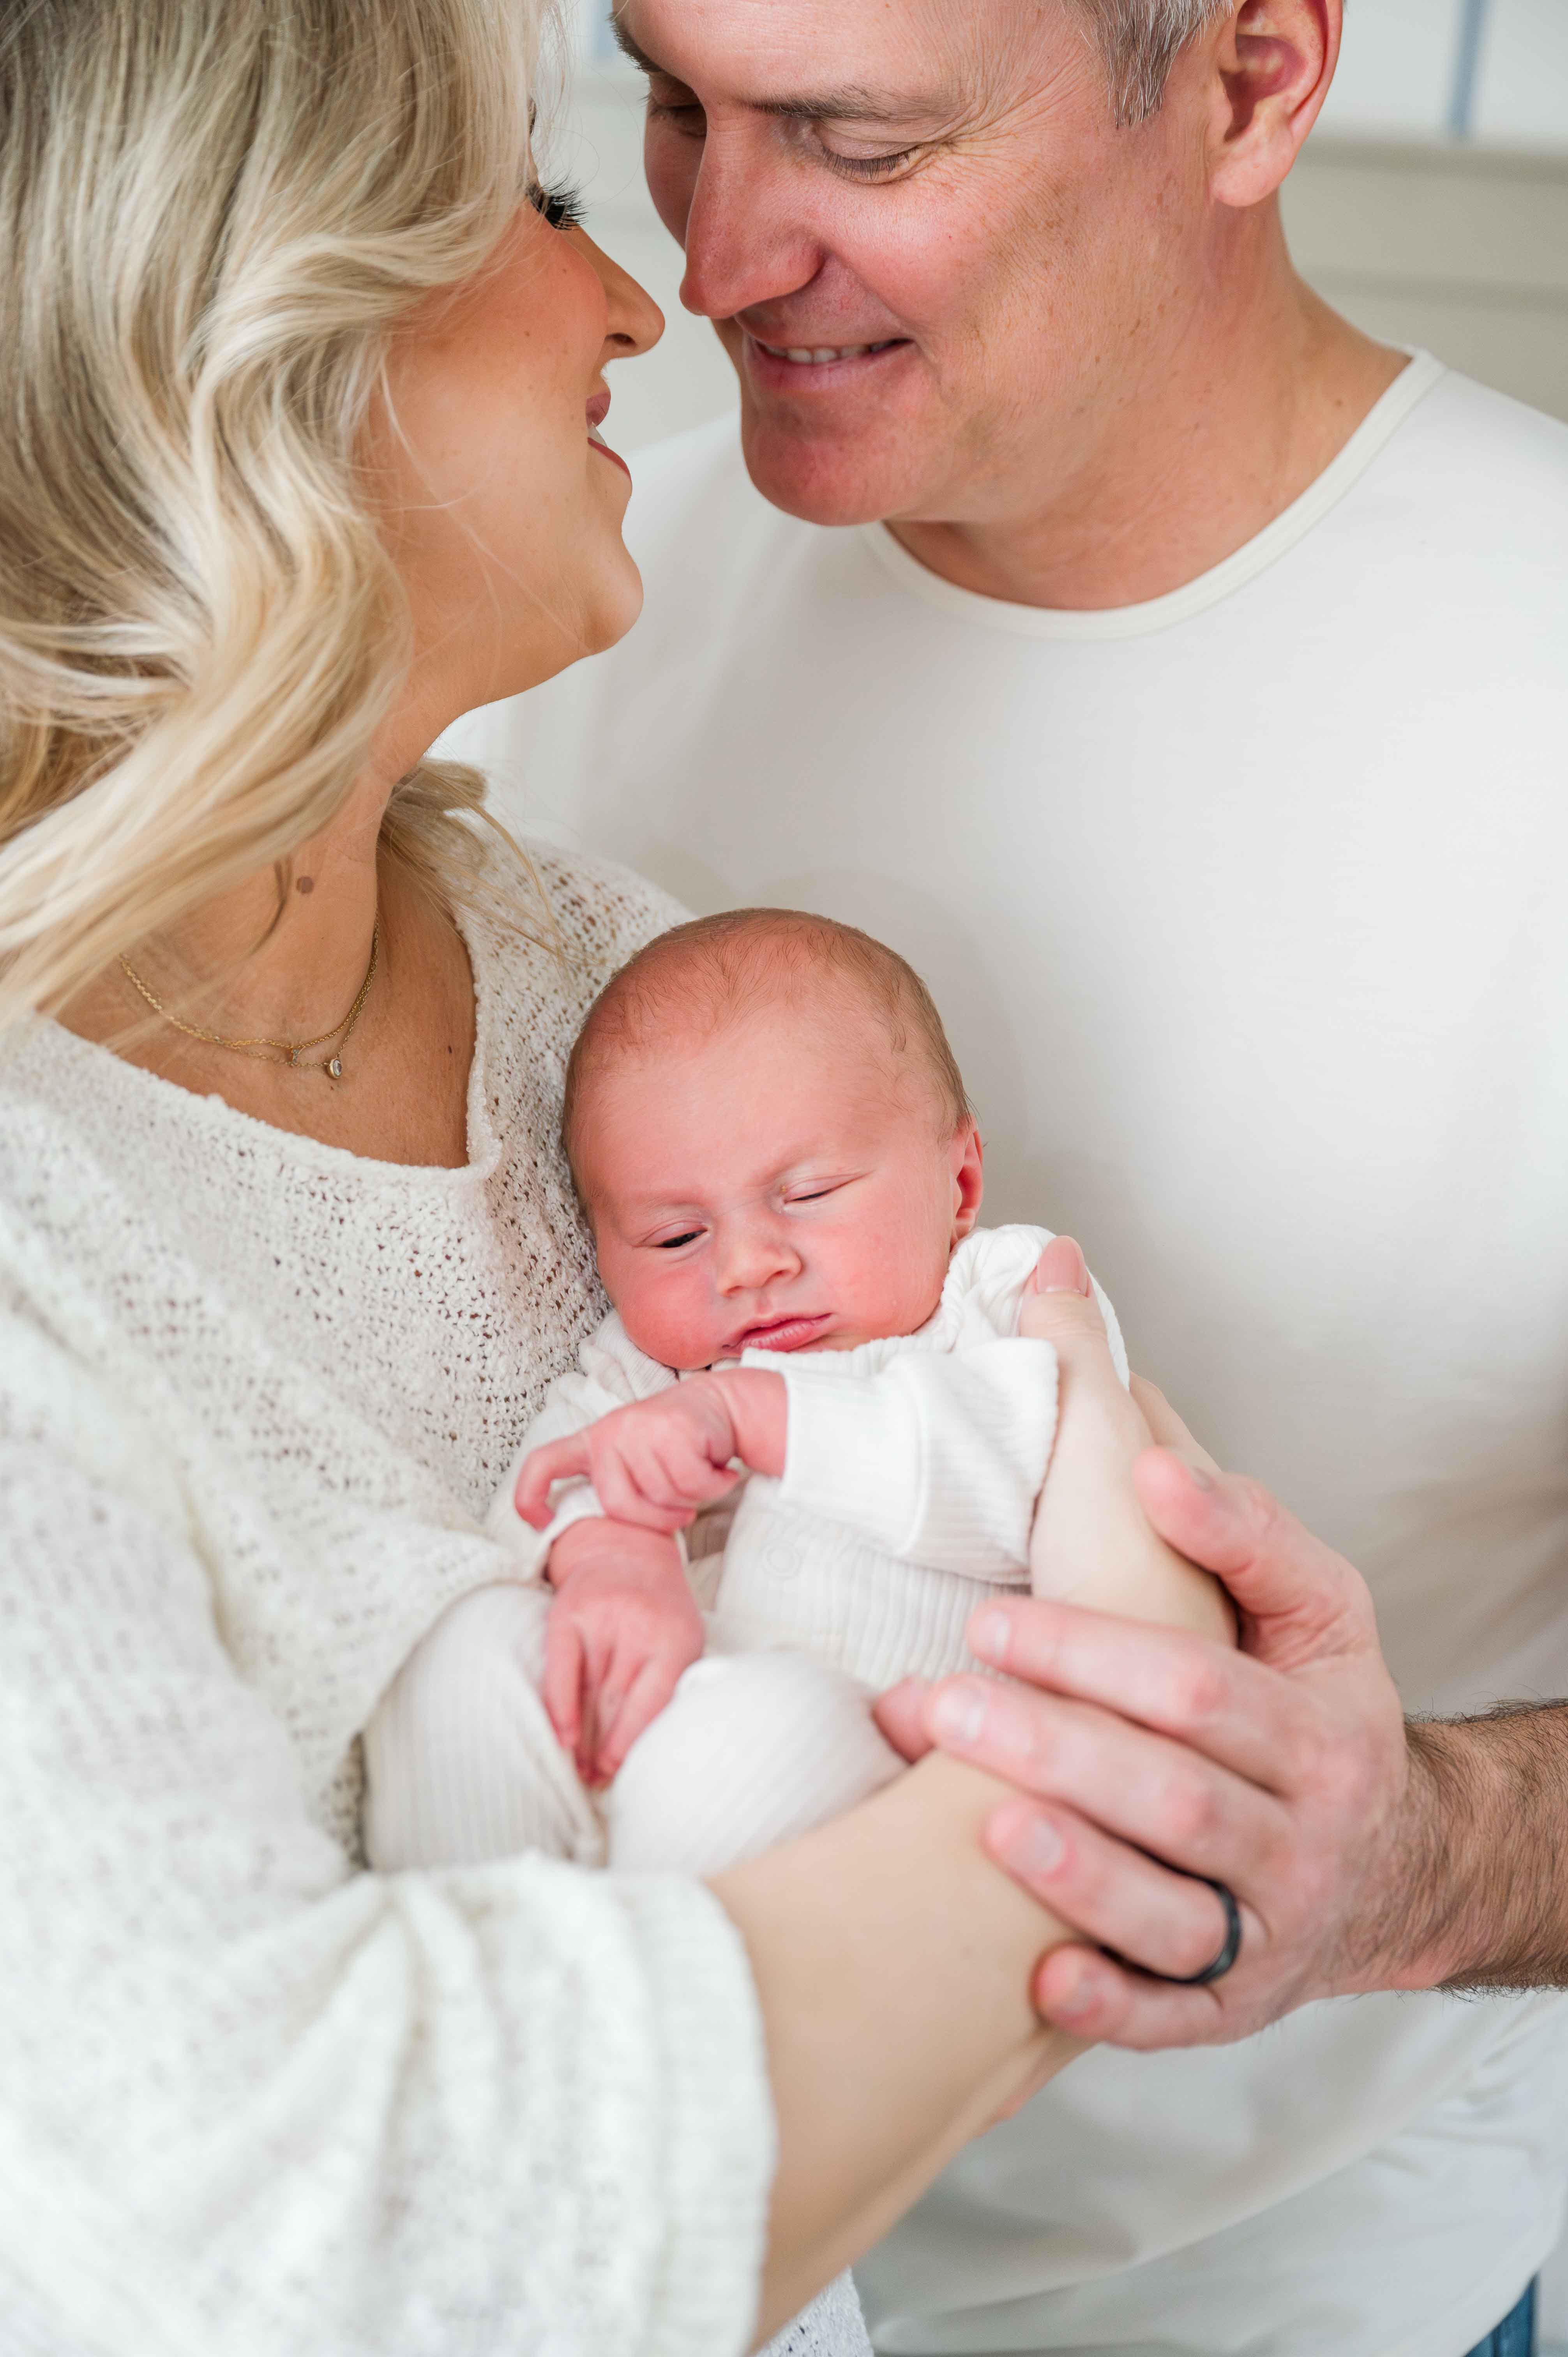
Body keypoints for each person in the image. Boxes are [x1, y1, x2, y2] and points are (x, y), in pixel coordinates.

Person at [0, 3, 1213, 2349]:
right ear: (257, 320)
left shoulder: (618, 995)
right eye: (542, 199)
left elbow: (1019, 1443)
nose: (643, 297)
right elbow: (254, 2234)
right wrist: (1105, 1838)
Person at [475, 0, 1568, 2350]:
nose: (718, 257)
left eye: (855, 140)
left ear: (1254, 82)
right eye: (676, 108)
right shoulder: (540, 598)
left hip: (1296, 2301)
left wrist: (1422, 1859)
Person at [360, 906, 1227, 1875]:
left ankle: (615, 1973)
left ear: (961, 1181)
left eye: (806, 1195)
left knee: (769, 1729)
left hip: (858, 1755)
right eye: (673, 1238)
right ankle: (464, 1939)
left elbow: (1025, 1481)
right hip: (649, 1720)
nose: (744, 1264)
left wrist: (758, 1416)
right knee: (467, 1645)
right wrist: (609, 1555)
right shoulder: (653, 1363)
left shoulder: (1004, 1298)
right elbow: (543, 1482)